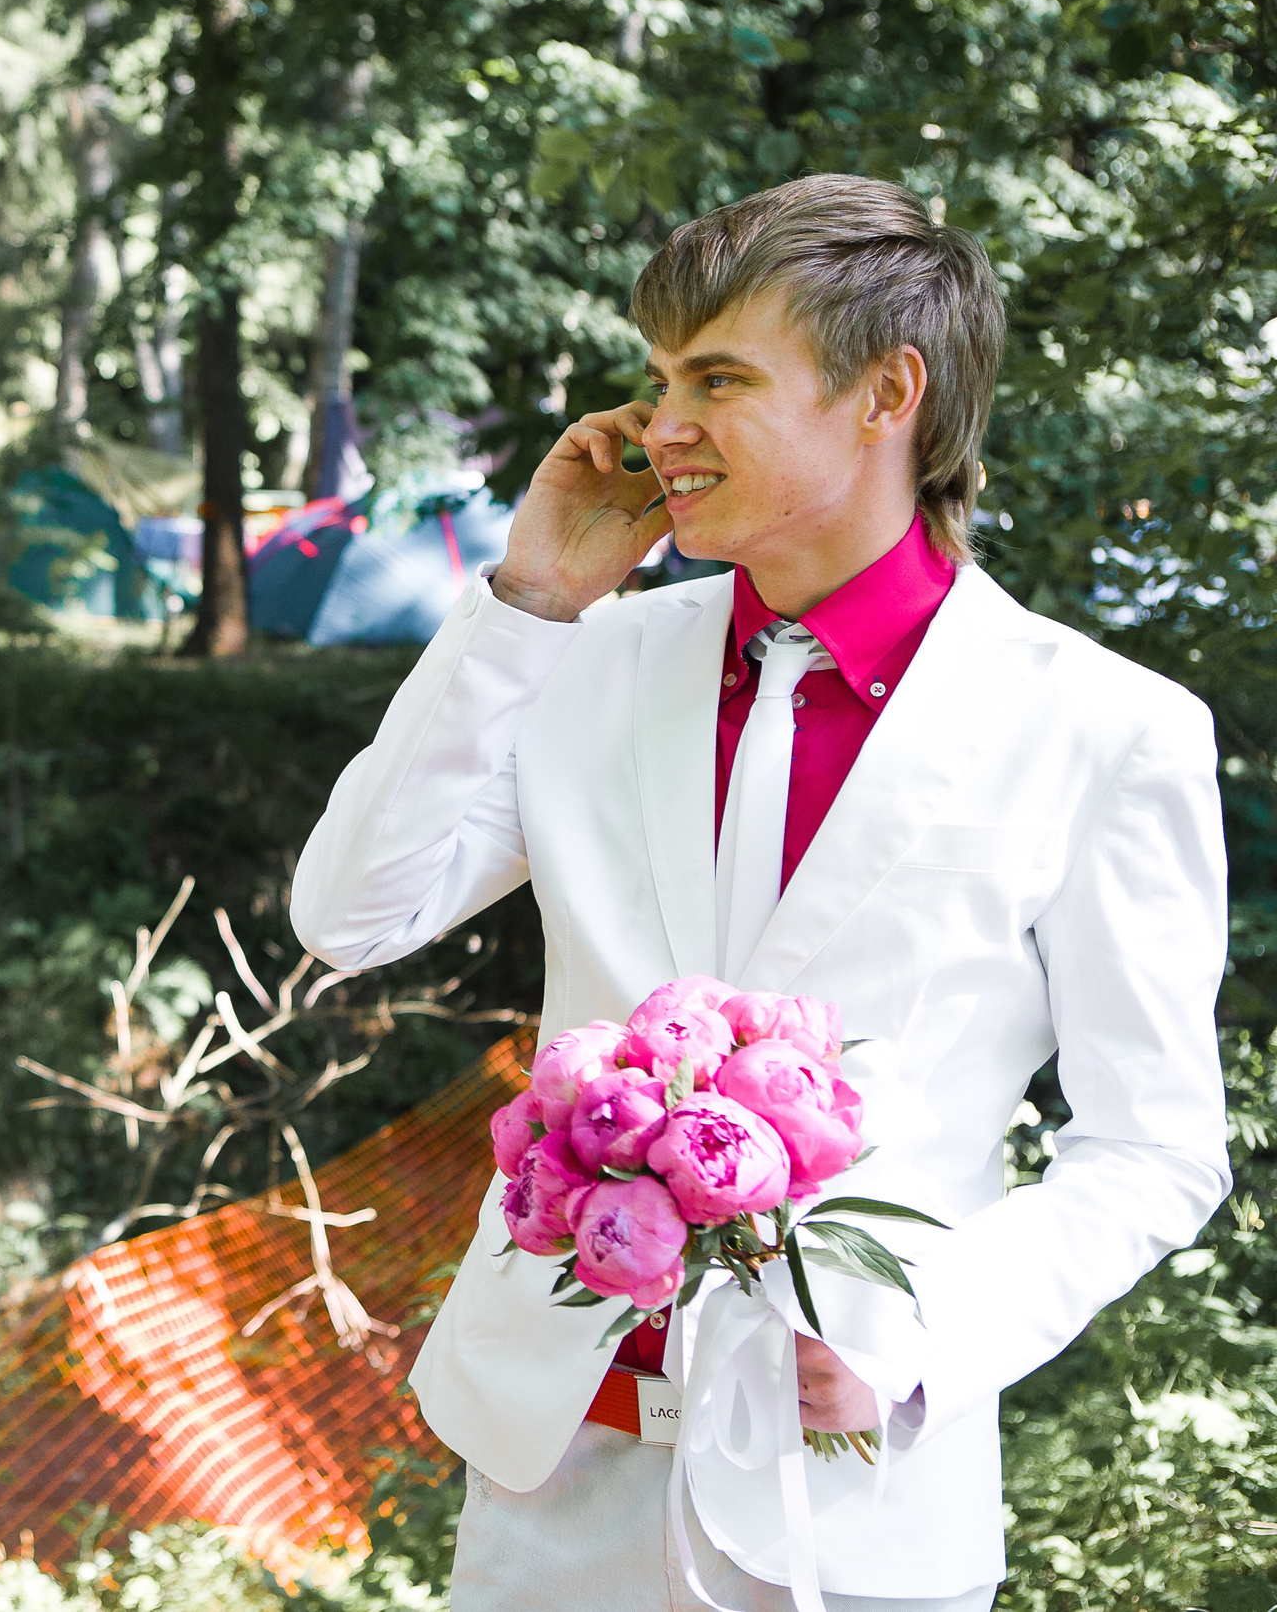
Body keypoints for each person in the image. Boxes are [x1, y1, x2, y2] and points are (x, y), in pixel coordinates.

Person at [291, 175, 1228, 1611]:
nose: (661, 426)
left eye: (718, 378)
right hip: (552, 1490)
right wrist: (529, 602)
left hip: (856, 1510)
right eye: (661, 378)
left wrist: (919, 1333)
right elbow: (352, 915)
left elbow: (1154, 1146)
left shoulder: (1104, 729)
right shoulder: (582, 656)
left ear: (887, 392)